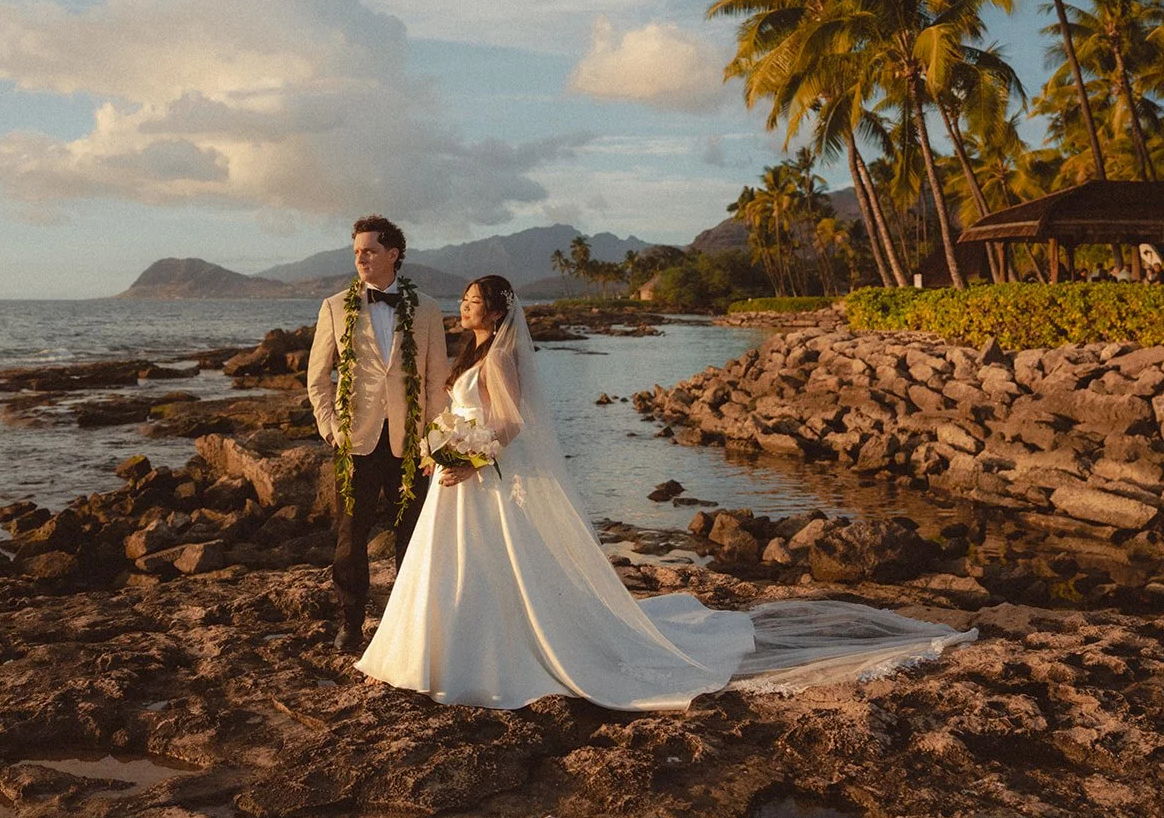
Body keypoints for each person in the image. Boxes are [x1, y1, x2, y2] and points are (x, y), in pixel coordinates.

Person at [357, 275, 975, 710]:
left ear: (496, 308)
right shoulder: (483, 351)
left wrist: (468, 456)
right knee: (471, 571)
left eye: (472, 301)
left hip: (478, 479)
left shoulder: (497, 359)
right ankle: (441, 653)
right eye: (463, 300)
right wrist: (451, 448)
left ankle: (481, 659)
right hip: (467, 483)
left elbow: (512, 424)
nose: (464, 308)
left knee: (494, 572)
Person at [307, 214, 449, 652]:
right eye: (356, 252)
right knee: (352, 537)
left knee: (411, 535)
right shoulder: (334, 307)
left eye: (369, 250)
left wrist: (434, 442)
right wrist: (331, 429)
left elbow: (436, 380)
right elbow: (318, 377)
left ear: (394, 254)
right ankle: (351, 624)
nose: (361, 258)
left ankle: (406, 627)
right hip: (356, 441)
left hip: (411, 445)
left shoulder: (426, 308)